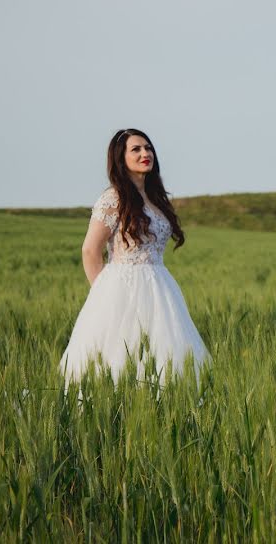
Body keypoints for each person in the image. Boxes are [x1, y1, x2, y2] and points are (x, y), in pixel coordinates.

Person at [59, 128, 211, 385]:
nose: (145, 153)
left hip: (160, 288)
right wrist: (104, 294)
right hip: (121, 287)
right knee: (117, 357)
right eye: (136, 149)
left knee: (166, 356)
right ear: (121, 158)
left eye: (148, 148)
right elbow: (90, 250)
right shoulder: (113, 198)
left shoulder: (155, 199)